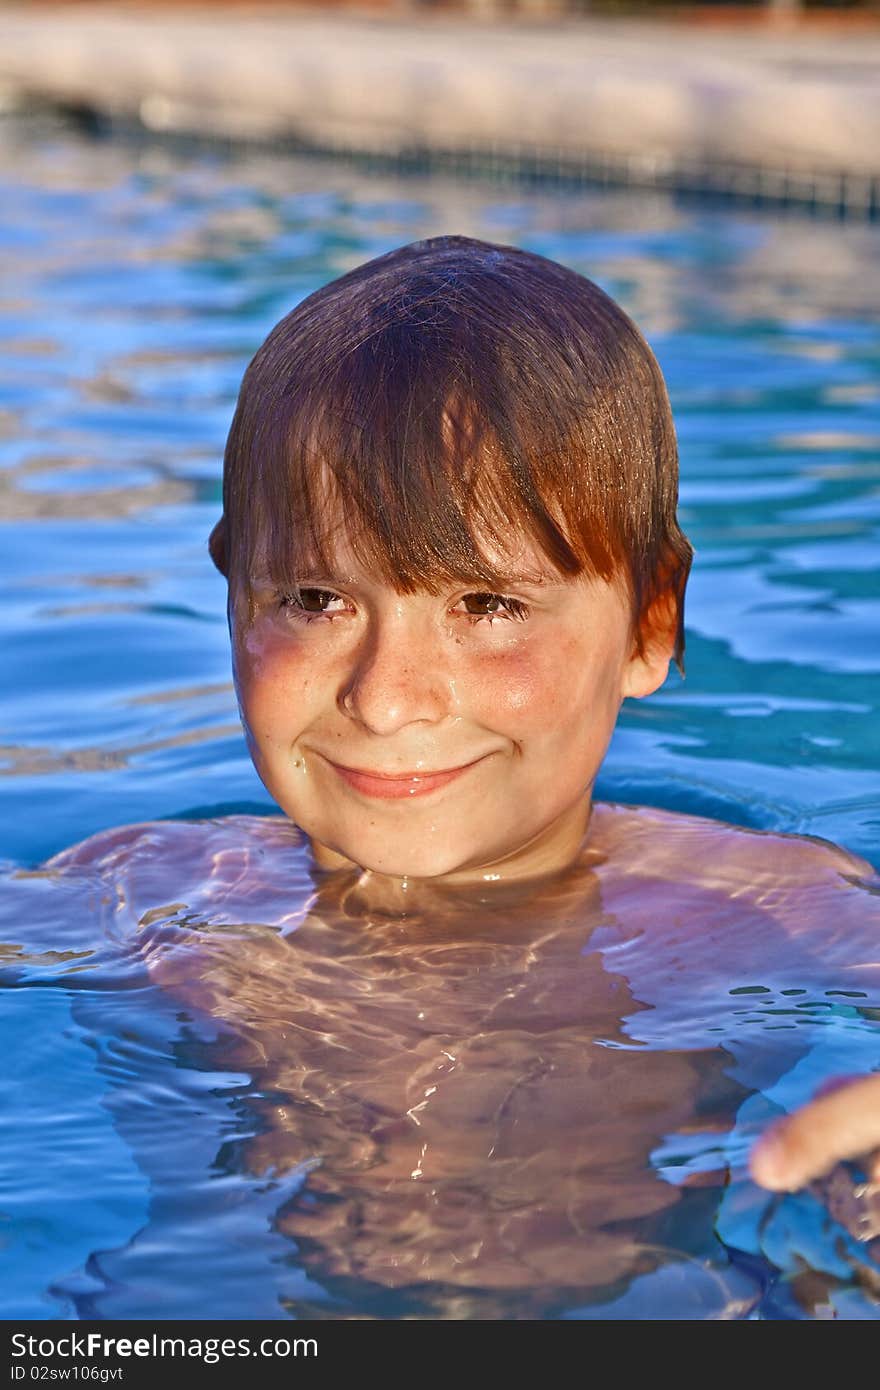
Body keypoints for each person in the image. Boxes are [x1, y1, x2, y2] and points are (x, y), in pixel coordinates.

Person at [5, 235, 879, 1314]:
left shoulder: (769, 907)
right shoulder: (148, 896)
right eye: (316, 600)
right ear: (235, 596)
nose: (386, 697)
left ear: (650, 625)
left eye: (487, 606)